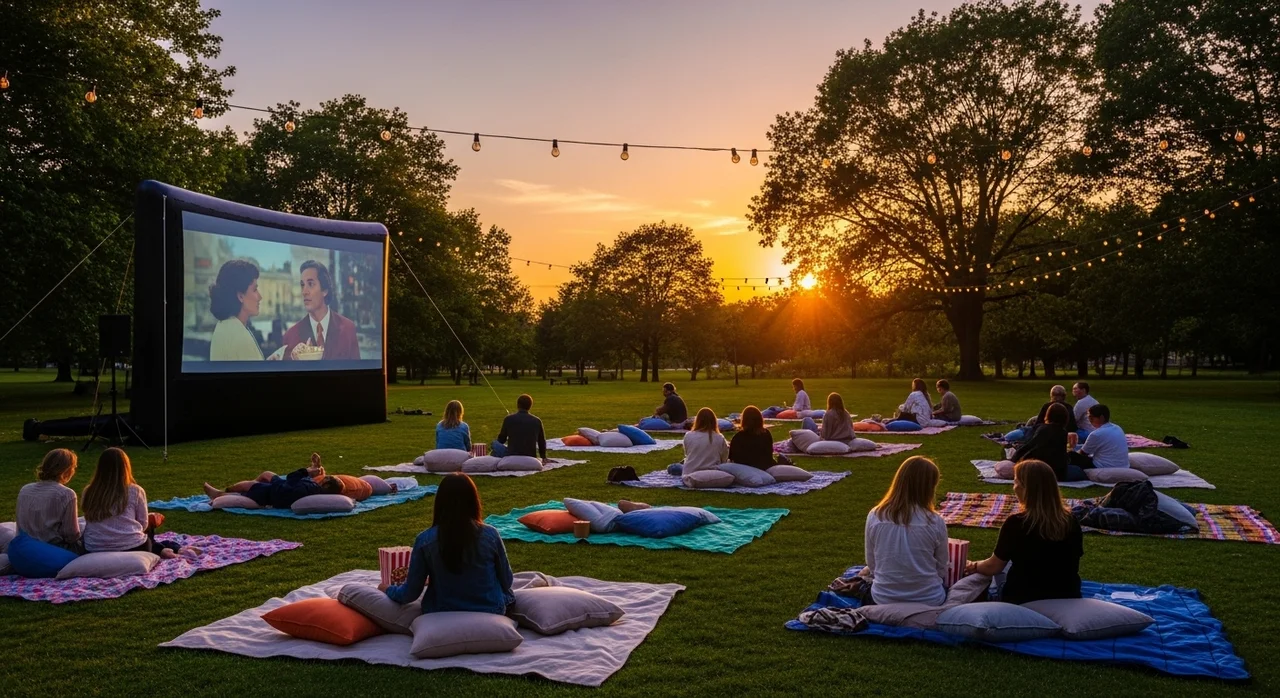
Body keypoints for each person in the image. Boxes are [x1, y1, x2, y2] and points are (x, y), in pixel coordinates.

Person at [381, 474, 514, 615]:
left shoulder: (424, 540)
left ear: (440, 503)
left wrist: (387, 589)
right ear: (473, 501)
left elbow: (409, 594)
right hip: (490, 609)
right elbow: (507, 581)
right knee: (508, 594)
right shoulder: (491, 535)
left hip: (441, 609)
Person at [966, 459, 1083, 605]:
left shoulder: (1016, 523)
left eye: (1015, 482)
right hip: (1066, 594)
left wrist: (973, 565)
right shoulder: (1071, 521)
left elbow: (993, 566)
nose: (1014, 487)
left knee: (994, 575)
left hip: (1023, 598)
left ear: (1024, 488)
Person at [864, 456, 950, 606]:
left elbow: (872, 564)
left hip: (883, 597)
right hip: (929, 599)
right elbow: (941, 567)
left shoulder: (875, 515)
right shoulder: (935, 521)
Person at [82, 448, 195, 559]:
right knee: (150, 525)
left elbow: (88, 516)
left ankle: (164, 548)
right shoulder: (135, 490)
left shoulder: (89, 491)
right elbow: (143, 524)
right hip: (134, 547)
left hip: (94, 547)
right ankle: (165, 548)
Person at [282, 259, 361, 361]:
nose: (304, 291)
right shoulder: (290, 336)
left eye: (310, 284)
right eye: (302, 285)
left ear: (325, 290)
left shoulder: (348, 329)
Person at [203, 452, 343, 508]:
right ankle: (253, 487)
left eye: (327, 478)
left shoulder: (309, 488)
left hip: (274, 493)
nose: (325, 476)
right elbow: (304, 481)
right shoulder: (314, 488)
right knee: (266, 474)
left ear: (326, 483)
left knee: (248, 486)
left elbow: (291, 479)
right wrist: (315, 467)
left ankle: (221, 493)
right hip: (280, 487)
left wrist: (305, 471)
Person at [15, 448, 82, 553]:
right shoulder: (66, 494)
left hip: (24, 545)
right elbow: (71, 534)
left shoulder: (25, 489)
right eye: (73, 468)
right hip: (51, 548)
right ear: (67, 470)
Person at [208, 259, 266, 361]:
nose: (260, 297)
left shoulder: (224, 326)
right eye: (255, 289)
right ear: (240, 296)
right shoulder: (240, 337)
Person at [1012, 403, 1084, 481]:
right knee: (1079, 470)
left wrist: (1014, 459)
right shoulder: (1062, 432)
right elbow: (1061, 456)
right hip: (1054, 472)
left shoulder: (1041, 429)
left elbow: (1029, 446)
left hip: (1038, 467)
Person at [1003, 385, 1078, 443]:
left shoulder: (1047, 406)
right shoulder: (1069, 407)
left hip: (1043, 432)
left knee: (1015, 434)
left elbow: (1037, 424)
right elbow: (1073, 426)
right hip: (1062, 434)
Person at [1068, 404, 1129, 470]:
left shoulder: (1096, 434)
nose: (1090, 420)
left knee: (1071, 455)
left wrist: (1071, 450)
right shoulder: (1117, 428)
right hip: (1123, 465)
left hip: (1104, 466)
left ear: (1101, 417)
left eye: (1091, 418)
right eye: (1089, 418)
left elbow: (1082, 453)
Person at [492, 394, 546, 462]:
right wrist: (543, 457)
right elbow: (541, 441)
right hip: (530, 456)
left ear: (518, 405)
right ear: (530, 406)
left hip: (512, 455)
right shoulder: (537, 421)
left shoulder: (508, 419)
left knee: (494, 444)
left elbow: (502, 440)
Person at [681, 408, 729, 475]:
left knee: (675, 467)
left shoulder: (688, 435)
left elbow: (687, 454)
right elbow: (724, 459)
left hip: (690, 472)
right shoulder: (719, 437)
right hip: (714, 473)